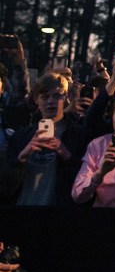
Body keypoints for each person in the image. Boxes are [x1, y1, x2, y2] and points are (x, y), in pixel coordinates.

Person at [6, 73, 89, 206]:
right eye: (45, 96)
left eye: (57, 96)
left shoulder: (79, 136)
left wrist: (66, 155)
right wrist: (21, 158)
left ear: (66, 97)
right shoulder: (21, 137)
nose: (51, 101)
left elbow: (85, 183)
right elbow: (5, 186)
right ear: (36, 99)